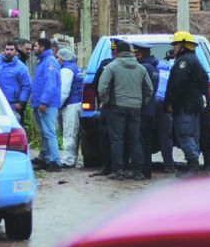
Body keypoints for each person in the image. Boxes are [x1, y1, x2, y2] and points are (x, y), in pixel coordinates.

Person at [97, 41, 153, 181]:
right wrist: (142, 102)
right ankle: (137, 172)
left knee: (117, 140)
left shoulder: (112, 66)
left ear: (117, 52)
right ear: (130, 52)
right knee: (135, 140)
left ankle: (118, 171)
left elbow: (102, 88)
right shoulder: (141, 68)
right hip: (135, 108)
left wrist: (106, 102)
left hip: (116, 107)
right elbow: (149, 89)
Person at [165, 31, 208, 177]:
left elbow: (176, 85)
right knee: (193, 135)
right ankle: (192, 165)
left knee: (184, 134)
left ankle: (193, 166)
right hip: (194, 104)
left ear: (183, 45)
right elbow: (204, 80)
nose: (174, 47)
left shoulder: (183, 62)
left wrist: (170, 101)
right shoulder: (195, 60)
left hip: (185, 105)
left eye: (176, 44)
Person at [30, 38, 63, 171]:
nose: (34, 48)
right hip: (41, 103)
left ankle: (55, 161)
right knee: (44, 133)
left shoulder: (50, 62)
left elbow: (50, 84)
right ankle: (46, 158)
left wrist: (44, 102)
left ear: (42, 47)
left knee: (49, 132)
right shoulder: (43, 61)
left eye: (36, 46)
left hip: (47, 104)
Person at [90, 38, 120, 177]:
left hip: (118, 106)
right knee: (105, 137)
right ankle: (107, 166)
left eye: (115, 50)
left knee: (118, 138)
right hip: (107, 107)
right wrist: (102, 100)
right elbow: (96, 84)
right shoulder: (104, 64)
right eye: (112, 50)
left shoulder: (126, 65)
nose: (113, 52)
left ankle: (119, 167)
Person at [134, 42, 160, 179]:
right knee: (147, 140)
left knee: (140, 141)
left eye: (136, 53)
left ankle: (142, 169)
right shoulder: (155, 68)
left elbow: (140, 88)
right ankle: (147, 169)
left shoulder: (143, 68)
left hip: (142, 109)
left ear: (140, 54)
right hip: (150, 109)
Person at [57, 48, 83, 169]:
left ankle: (68, 160)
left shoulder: (66, 70)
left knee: (69, 132)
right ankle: (72, 158)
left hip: (71, 104)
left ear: (63, 58)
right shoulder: (75, 67)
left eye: (58, 57)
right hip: (77, 103)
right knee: (74, 132)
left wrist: (57, 105)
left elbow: (64, 91)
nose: (57, 60)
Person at [0, 41, 31, 116]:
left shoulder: (21, 67)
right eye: (7, 49)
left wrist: (21, 103)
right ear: (3, 50)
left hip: (14, 105)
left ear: (16, 51)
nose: (9, 52)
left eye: (11, 49)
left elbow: (27, 86)